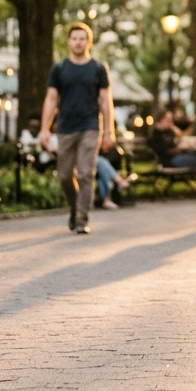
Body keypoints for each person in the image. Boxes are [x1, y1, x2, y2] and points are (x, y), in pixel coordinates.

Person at [39, 23, 117, 234]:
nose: (78, 42)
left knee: (85, 173)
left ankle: (82, 219)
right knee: (64, 176)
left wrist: (109, 130)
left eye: (82, 38)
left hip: (90, 126)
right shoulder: (60, 68)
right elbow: (52, 99)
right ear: (69, 41)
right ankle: (75, 210)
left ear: (88, 42)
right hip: (65, 127)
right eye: (74, 38)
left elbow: (105, 100)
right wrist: (44, 129)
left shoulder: (98, 68)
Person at [148, 110, 196, 197]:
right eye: (169, 120)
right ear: (162, 120)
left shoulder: (167, 132)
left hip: (177, 157)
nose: (171, 123)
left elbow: (176, 142)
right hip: (170, 161)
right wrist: (180, 148)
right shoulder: (157, 135)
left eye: (171, 120)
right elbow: (166, 152)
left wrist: (182, 142)